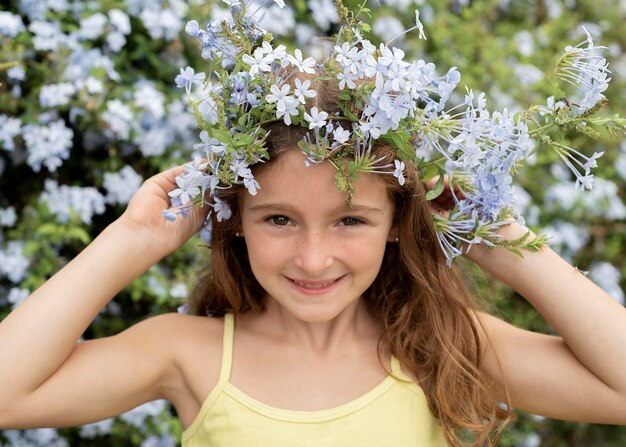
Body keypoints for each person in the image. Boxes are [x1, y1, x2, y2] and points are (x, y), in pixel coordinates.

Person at [1, 3, 626, 445]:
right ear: (235, 217)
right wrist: (134, 239)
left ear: (398, 222)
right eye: (279, 218)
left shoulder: (446, 346)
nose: (313, 258)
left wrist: (496, 233)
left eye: (350, 219)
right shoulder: (187, 355)